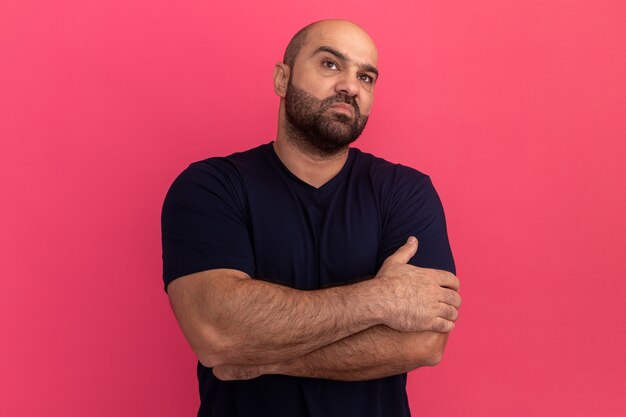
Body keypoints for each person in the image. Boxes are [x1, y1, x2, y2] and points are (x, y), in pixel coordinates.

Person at [161, 19, 461, 417]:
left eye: (366, 76)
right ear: (282, 78)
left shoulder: (405, 191)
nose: (351, 86)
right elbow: (217, 333)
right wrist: (381, 299)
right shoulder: (211, 186)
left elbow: (424, 344)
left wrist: (265, 358)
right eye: (330, 65)